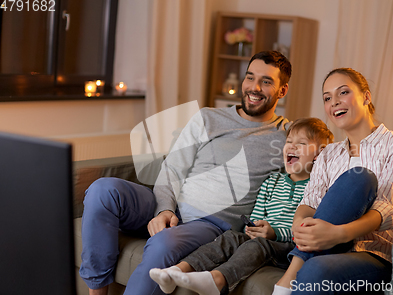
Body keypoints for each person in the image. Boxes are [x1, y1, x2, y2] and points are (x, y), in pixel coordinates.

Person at [79, 51, 293, 295]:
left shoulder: (287, 136)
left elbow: (324, 151)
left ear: (282, 90)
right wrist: (164, 210)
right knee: (102, 190)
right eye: (250, 77)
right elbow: (172, 169)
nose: (254, 88)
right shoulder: (208, 117)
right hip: (171, 205)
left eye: (266, 81)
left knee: (163, 243)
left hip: (212, 224)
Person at [272, 68, 393, 295]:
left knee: (360, 177)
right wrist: (298, 223)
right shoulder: (328, 153)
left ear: (366, 96)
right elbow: (310, 202)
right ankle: (296, 267)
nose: (334, 102)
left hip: (375, 256)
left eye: (342, 92)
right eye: (327, 98)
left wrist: (339, 234)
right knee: (355, 180)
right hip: (326, 249)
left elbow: (388, 209)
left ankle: (292, 272)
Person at [148, 117, 334, 295]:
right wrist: (253, 227)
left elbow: (308, 230)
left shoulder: (317, 190)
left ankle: (217, 281)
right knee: (230, 237)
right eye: (289, 141)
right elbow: (255, 217)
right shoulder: (272, 181)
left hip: (286, 247)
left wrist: (274, 233)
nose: (291, 146)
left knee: (260, 244)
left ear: (320, 153)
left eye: (301, 143)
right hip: (261, 238)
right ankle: (176, 271)